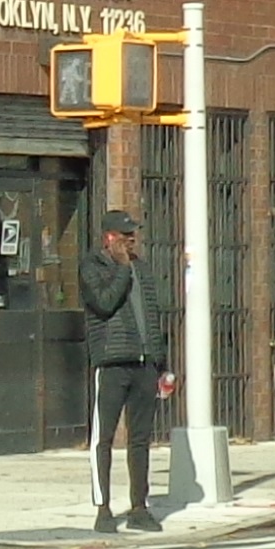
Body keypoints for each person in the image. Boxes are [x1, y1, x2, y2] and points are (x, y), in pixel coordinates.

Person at [81, 210, 178, 532]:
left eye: (133, 235)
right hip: (111, 363)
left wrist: (160, 363)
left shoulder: (143, 269)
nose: (131, 240)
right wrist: (122, 267)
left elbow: (152, 317)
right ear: (109, 237)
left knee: (140, 439)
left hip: (143, 364)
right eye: (125, 236)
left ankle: (139, 507)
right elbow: (104, 303)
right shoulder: (92, 267)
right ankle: (103, 507)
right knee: (103, 438)